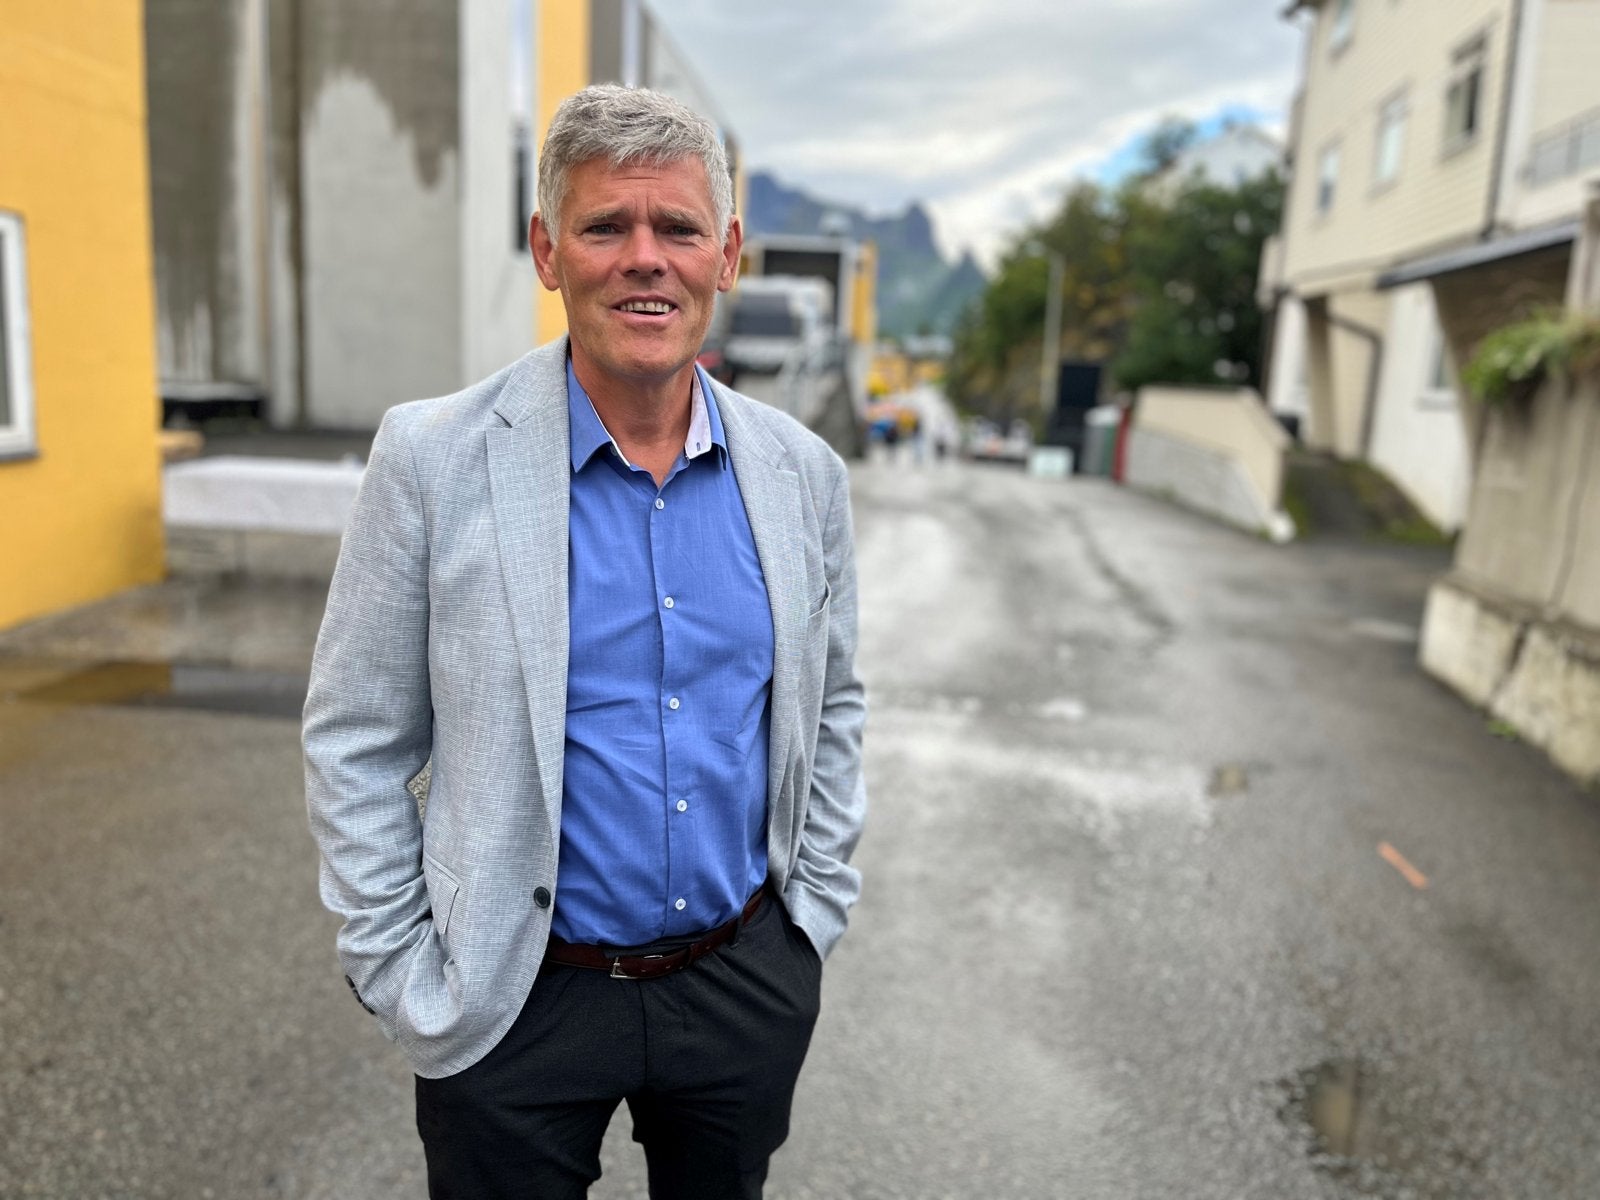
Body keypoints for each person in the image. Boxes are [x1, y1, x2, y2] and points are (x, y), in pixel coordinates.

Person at [303, 84, 867, 1200]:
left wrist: (808, 922)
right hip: (515, 998)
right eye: (606, 225)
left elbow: (833, 700)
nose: (645, 258)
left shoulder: (804, 475)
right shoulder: (431, 459)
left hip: (739, 981)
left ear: (727, 256)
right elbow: (355, 734)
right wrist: (398, 966)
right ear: (547, 251)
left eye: (679, 228)